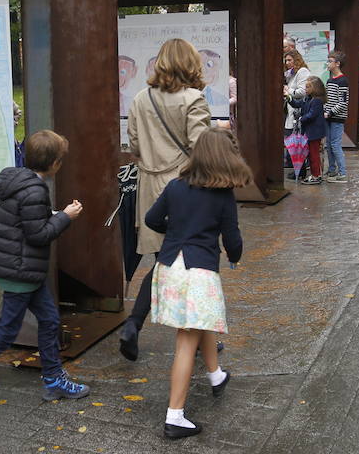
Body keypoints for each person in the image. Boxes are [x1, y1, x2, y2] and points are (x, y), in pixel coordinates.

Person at [0, 130, 88, 418]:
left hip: (23, 268)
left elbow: (27, 224)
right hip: (20, 270)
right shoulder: (35, 191)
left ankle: (53, 380)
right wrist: (65, 217)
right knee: (6, 331)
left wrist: (54, 215)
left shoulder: (21, 182)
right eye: (61, 160)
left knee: (49, 320)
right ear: (55, 164)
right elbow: (38, 235)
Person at [145, 127, 251, 439]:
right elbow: (233, 240)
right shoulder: (223, 195)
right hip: (198, 273)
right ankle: (175, 417)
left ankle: (216, 375)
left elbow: (152, 219)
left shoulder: (176, 186)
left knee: (200, 321)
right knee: (185, 341)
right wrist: (234, 257)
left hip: (169, 268)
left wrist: (177, 231)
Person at [119, 38, 212, 361]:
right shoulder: (193, 99)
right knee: (192, 263)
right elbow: (201, 149)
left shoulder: (140, 98)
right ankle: (196, 336)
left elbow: (133, 146)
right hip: (184, 189)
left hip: (150, 189)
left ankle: (134, 325)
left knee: (166, 261)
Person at [288, 76, 327, 185]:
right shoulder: (307, 99)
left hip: (314, 133)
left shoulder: (316, 101)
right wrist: (289, 98)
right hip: (309, 132)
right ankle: (315, 174)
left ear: (315, 88)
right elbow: (297, 104)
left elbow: (312, 114)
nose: (306, 89)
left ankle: (316, 175)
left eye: (308, 87)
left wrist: (301, 118)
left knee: (314, 155)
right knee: (310, 155)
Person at [283, 49, 311, 178]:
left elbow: (302, 91)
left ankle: (300, 170)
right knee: (292, 141)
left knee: (297, 143)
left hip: (298, 112)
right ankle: (297, 169)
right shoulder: (292, 73)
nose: (287, 62)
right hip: (292, 112)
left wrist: (288, 91)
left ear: (296, 60)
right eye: (286, 60)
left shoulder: (302, 71)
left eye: (289, 60)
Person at [324, 51, 349, 183]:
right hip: (327, 117)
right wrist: (324, 110)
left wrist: (330, 112)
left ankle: (343, 173)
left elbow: (343, 102)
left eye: (330, 61)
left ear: (337, 64)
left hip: (337, 118)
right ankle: (332, 170)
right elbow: (327, 99)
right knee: (328, 145)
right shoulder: (329, 80)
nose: (327, 64)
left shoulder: (343, 81)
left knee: (335, 145)